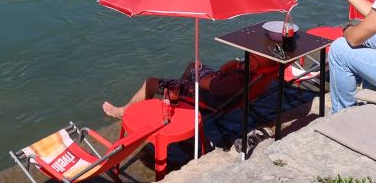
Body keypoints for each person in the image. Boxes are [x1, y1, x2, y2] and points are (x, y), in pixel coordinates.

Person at [102, 57, 262, 119]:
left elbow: (214, 87)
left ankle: (122, 112)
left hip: (207, 96)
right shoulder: (259, 70)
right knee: (193, 65)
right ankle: (178, 85)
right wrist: (234, 65)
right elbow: (223, 72)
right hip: (220, 87)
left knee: (150, 82)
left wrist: (199, 77)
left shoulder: (236, 79)